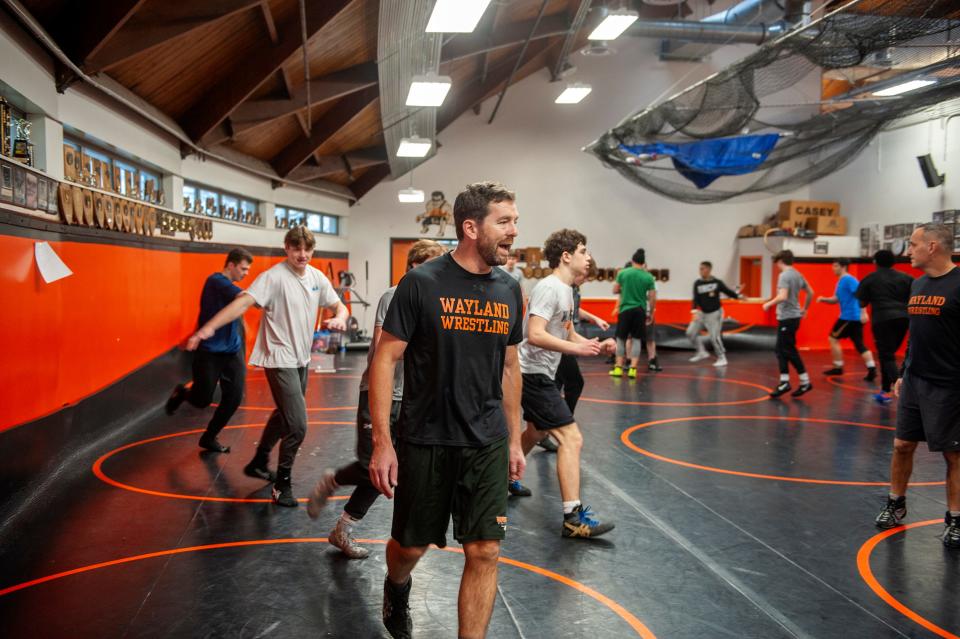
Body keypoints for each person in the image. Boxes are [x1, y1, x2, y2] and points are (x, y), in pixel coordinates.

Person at [368, 181, 526, 639]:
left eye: (515, 220)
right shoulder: (421, 283)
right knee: (411, 548)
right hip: (426, 437)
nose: (514, 230)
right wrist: (382, 442)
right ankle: (396, 586)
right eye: (505, 221)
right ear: (471, 227)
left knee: (485, 551)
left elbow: (511, 367)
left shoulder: (510, 289)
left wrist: (515, 439)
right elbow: (384, 359)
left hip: (487, 440)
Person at [185, 227, 348, 507]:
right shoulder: (272, 278)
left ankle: (260, 461)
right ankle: (281, 485)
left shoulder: (316, 277)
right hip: (279, 358)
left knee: (284, 414)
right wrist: (207, 328)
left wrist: (341, 317)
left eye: (307, 250)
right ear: (287, 248)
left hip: (301, 359)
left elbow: (338, 305)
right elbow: (242, 304)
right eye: (296, 249)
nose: (302, 255)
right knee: (297, 425)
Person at [305, 239, 445, 558]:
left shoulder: (437, 299)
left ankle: (343, 528)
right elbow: (383, 352)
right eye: (432, 266)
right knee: (377, 467)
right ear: (414, 266)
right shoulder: (394, 296)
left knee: (387, 472)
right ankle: (335, 486)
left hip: (413, 399)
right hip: (382, 393)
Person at [511, 229, 616, 539]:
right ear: (567, 256)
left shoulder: (567, 290)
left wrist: (595, 345)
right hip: (530, 373)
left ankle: (503, 476)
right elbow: (536, 334)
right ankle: (573, 517)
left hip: (543, 372)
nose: (588, 257)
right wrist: (578, 349)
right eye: (583, 250)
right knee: (571, 439)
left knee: (537, 430)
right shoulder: (549, 288)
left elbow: (568, 334)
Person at [874, 223, 960, 549]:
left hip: (949, 385)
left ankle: (955, 518)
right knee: (901, 446)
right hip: (914, 380)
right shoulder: (918, 284)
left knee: (954, 455)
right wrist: (902, 372)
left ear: (933, 247)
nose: (908, 251)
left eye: (912, 244)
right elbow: (916, 333)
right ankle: (896, 502)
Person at [166, 248, 253, 453]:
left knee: (234, 398)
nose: (246, 273)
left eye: (248, 270)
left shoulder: (228, 287)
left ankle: (209, 437)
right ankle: (183, 393)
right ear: (230, 265)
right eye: (243, 268)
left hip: (232, 352)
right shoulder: (216, 281)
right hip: (210, 352)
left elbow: (235, 310)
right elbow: (243, 298)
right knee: (203, 399)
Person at [856, 249, 913, 404]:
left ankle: (901, 389)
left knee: (886, 355)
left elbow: (862, 302)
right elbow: (914, 297)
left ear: (875, 262)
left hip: (882, 319)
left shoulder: (870, 279)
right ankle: (885, 391)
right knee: (887, 355)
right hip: (903, 318)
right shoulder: (906, 278)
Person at [762, 250, 814, 398]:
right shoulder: (798, 274)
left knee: (788, 350)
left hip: (787, 318)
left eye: (776, 263)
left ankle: (804, 381)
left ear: (780, 261)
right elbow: (811, 292)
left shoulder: (784, 275)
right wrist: (804, 309)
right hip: (793, 317)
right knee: (780, 350)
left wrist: (768, 304)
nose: (777, 267)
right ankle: (784, 381)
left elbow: (783, 296)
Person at [816, 258, 876, 380]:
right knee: (859, 344)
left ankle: (838, 367)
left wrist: (863, 313)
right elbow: (836, 299)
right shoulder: (841, 281)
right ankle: (872, 369)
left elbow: (861, 295)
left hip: (850, 317)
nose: (833, 268)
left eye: (835, 266)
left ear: (843, 267)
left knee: (833, 338)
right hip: (851, 317)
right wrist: (824, 299)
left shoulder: (849, 280)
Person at [687, 260, 745, 367]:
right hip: (701, 313)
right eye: (699, 269)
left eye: (702, 268)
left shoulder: (717, 282)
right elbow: (695, 298)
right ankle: (701, 352)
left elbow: (728, 292)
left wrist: (739, 296)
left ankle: (722, 357)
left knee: (714, 337)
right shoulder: (697, 283)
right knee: (690, 333)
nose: (700, 271)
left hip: (715, 313)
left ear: (708, 269)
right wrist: (694, 310)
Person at [610, 249, 658, 378]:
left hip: (625, 310)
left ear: (632, 261)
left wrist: (625, 288)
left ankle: (618, 368)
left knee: (621, 339)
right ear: (643, 263)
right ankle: (633, 369)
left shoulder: (623, 273)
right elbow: (653, 297)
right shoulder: (648, 276)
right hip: (640, 310)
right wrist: (652, 312)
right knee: (636, 339)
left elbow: (615, 290)